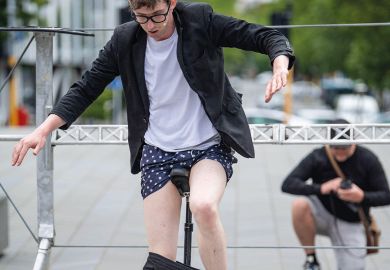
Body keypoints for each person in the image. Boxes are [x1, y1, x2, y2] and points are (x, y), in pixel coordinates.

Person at [12, 1, 294, 269]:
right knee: (161, 258)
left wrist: (279, 63)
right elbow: (87, 87)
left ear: (172, 3)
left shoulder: (200, 20)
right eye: (141, 16)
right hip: (158, 149)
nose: (150, 25)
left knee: (204, 206)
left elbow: (262, 35)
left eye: (158, 15)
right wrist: (43, 129)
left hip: (207, 144)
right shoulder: (125, 39)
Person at [281, 119, 390, 270]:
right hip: (322, 213)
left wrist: (362, 197)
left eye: (344, 148)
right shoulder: (319, 156)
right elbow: (287, 184)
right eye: (335, 147)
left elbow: (386, 195)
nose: (339, 152)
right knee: (299, 205)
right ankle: (311, 259)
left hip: (351, 220)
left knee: (354, 267)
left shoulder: (368, 159)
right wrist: (321, 188)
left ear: (354, 142)